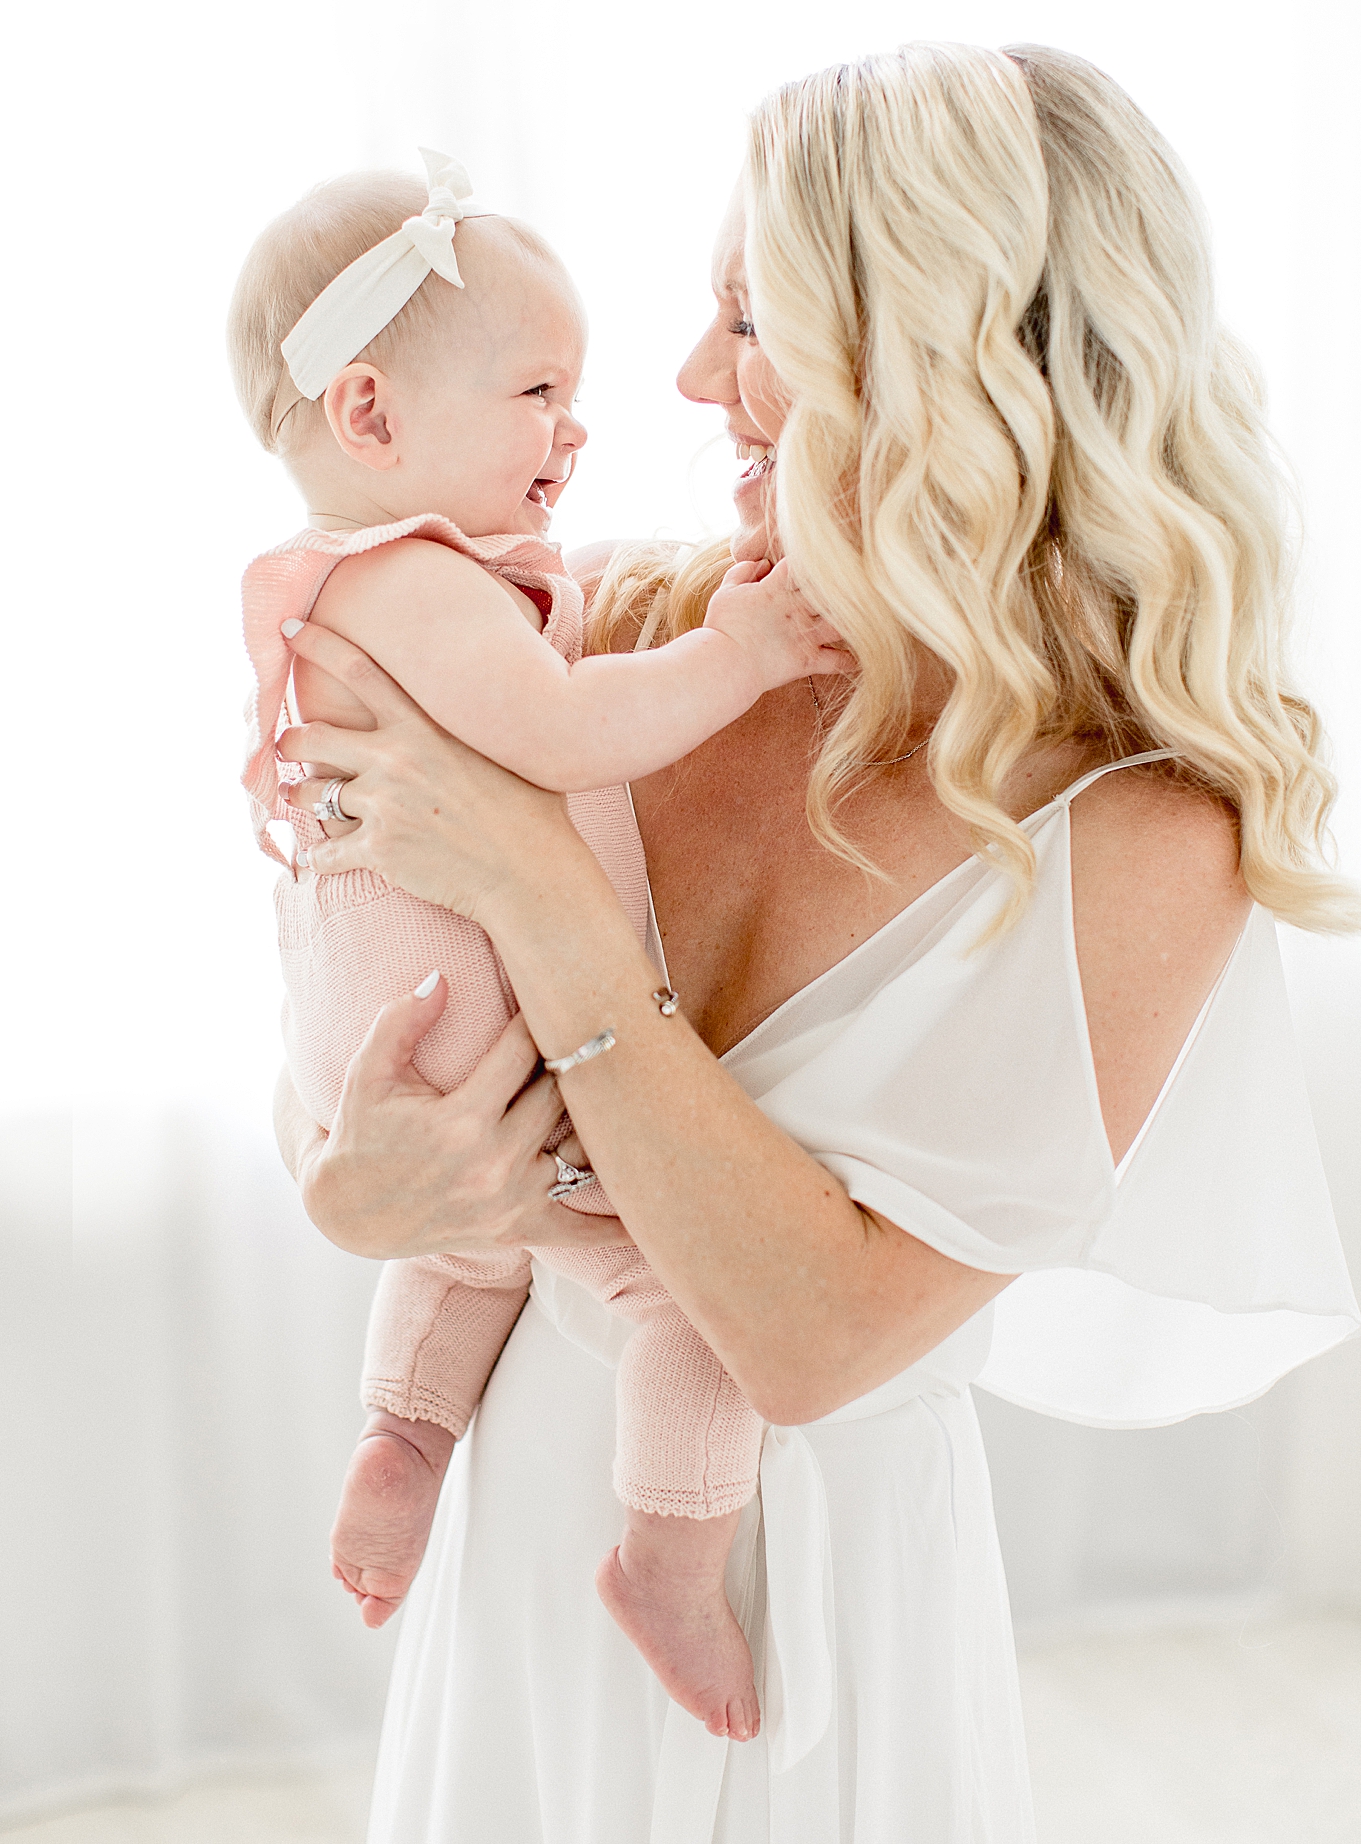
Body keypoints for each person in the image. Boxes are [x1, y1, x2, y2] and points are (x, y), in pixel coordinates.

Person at [273, 44, 1361, 1844]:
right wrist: (345, 1188)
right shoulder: (606, 632)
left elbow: (808, 1338)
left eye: (748, 319)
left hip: (817, 1613)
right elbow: (350, 980)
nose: (693, 376)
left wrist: (553, 907)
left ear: (942, 368)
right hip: (520, 1516)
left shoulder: (1149, 838)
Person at [231, 152, 853, 1740]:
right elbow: (570, 735)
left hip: (394, 1034)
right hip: (462, 1019)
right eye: (537, 389)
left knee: (468, 1251)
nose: (577, 428)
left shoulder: (394, 590)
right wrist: (746, 644)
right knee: (685, 1300)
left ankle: (405, 1442)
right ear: (368, 418)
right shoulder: (414, 584)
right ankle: (669, 1558)